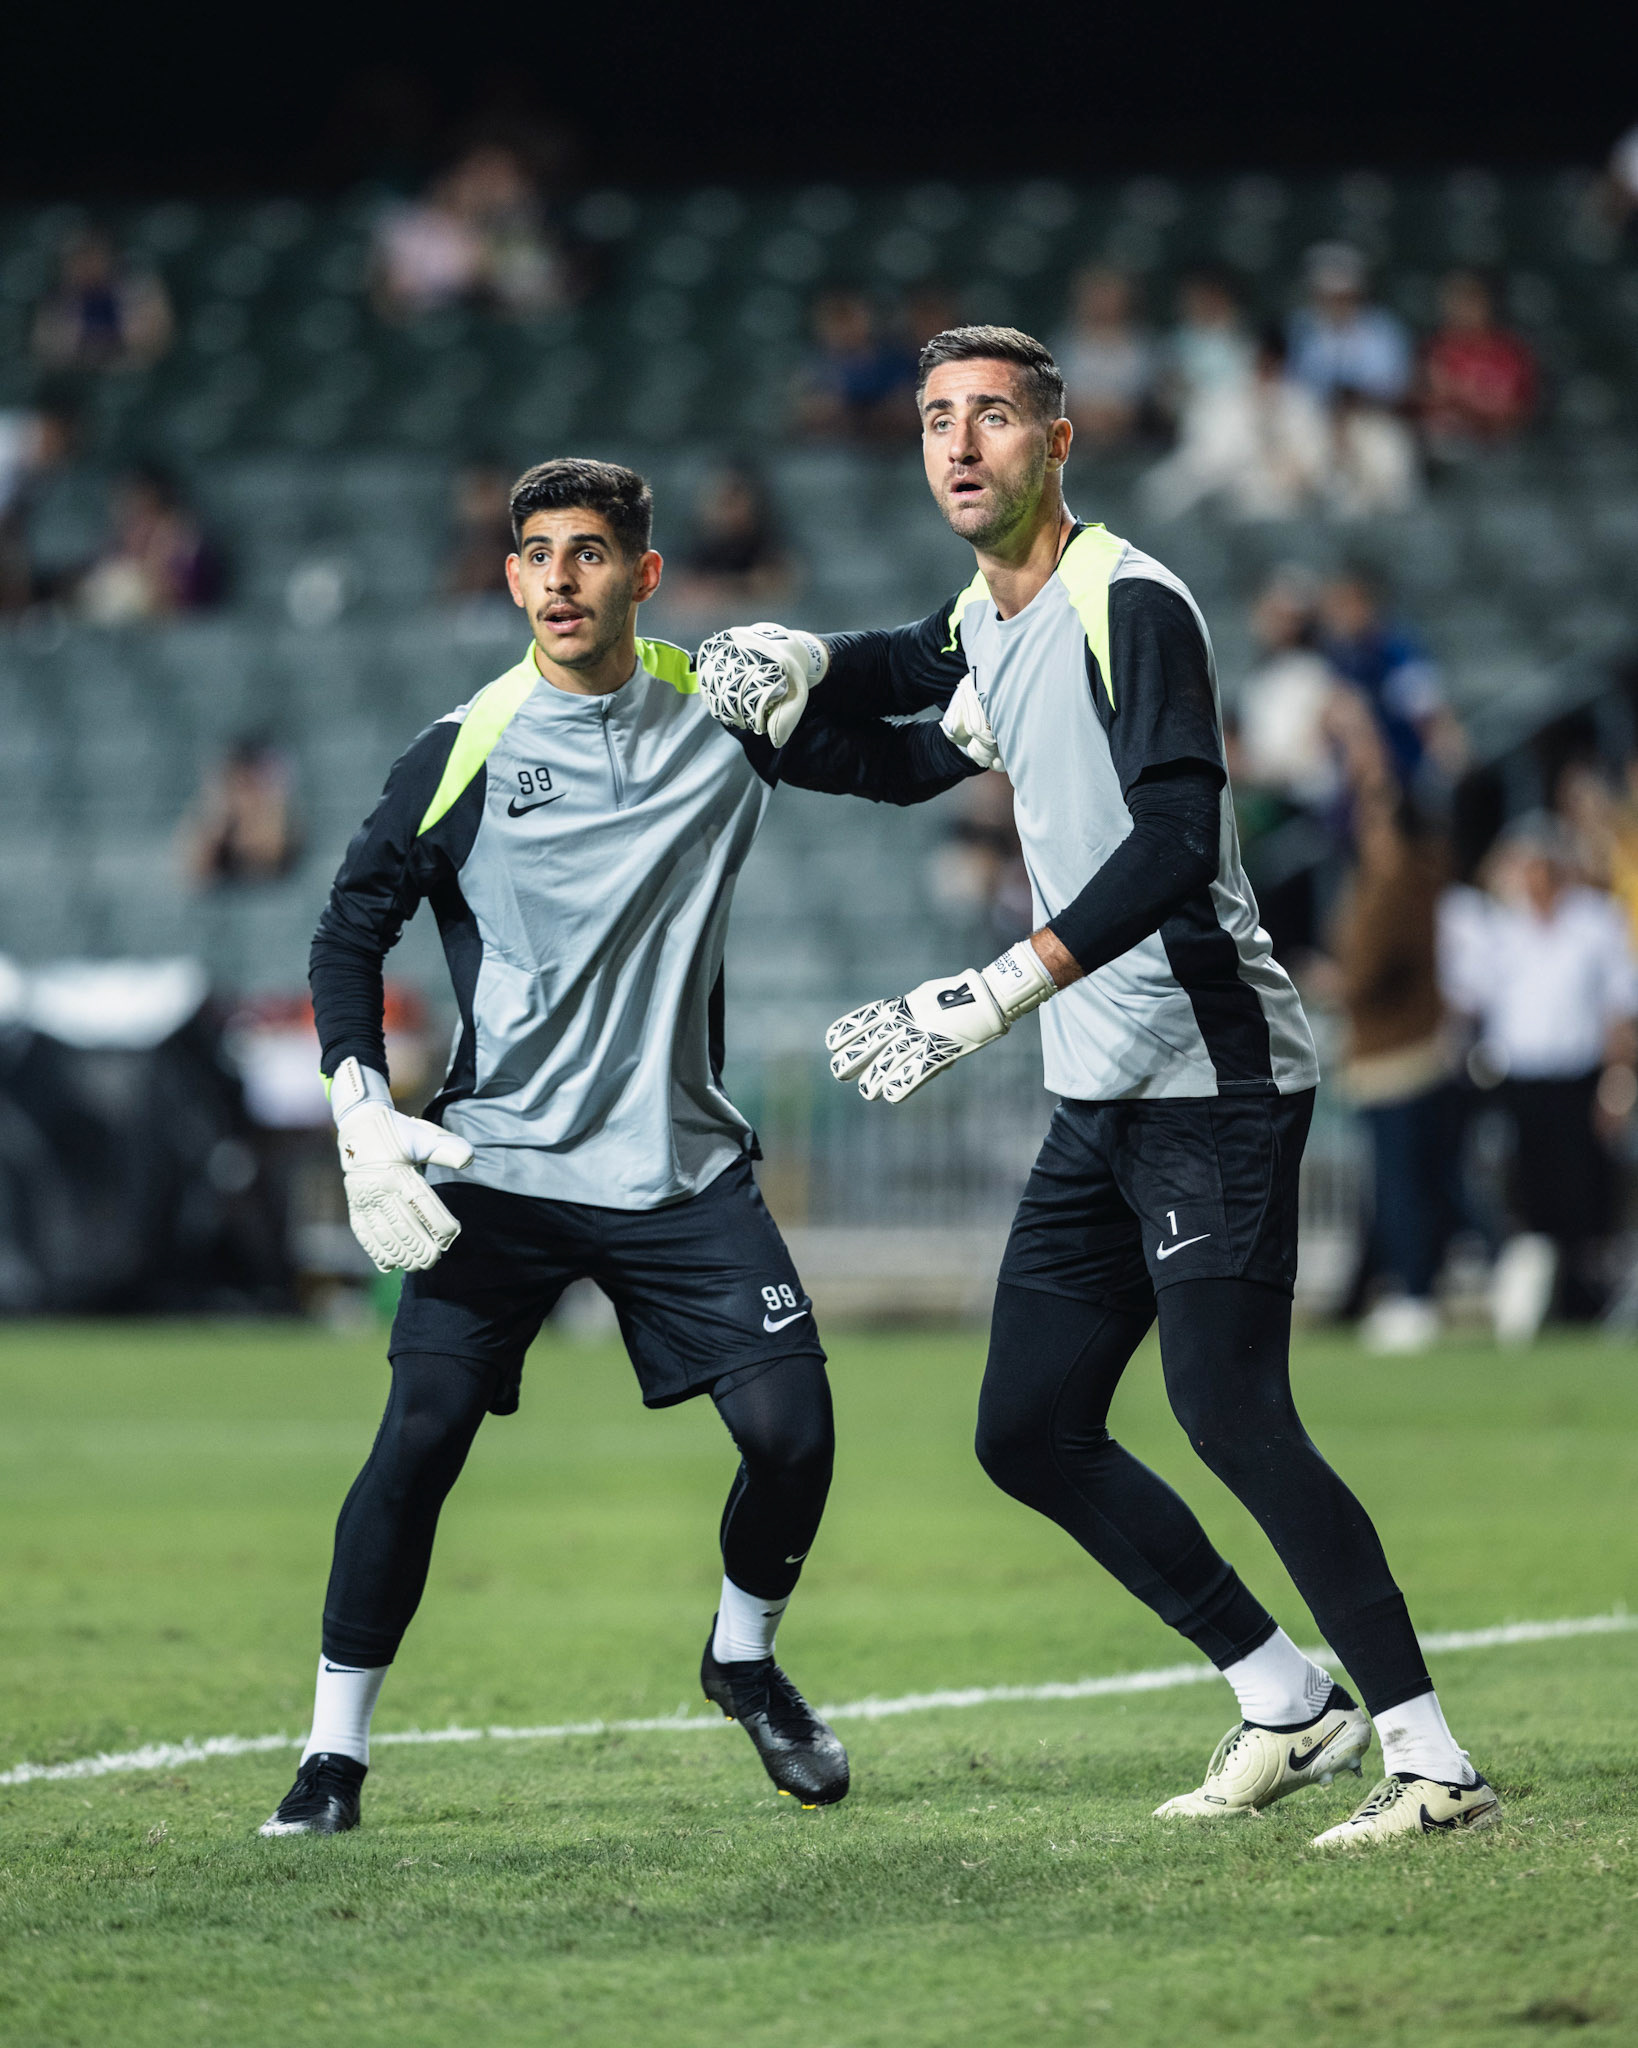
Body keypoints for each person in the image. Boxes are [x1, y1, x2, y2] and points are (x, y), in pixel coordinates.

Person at [697, 326, 1498, 1846]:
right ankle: (1283, 1697)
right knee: (1027, 1427)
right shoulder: (985, 618)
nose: (958, 443)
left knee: (1228, 1409)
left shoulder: (1125, 601)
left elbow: (1175, 839)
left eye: (991, 416)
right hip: (1104, 1093)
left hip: (1212, 1076)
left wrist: (994, 988)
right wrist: (774, 693)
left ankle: (1432, 1759)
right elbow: (893, 738)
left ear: (1058, 442)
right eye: (936, 418)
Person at [259, 458, 977, 1837]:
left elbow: (892, 764)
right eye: (534, 553)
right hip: (502, 1171)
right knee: (420, 1436)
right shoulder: (461, 745)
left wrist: (1002, 717)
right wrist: (360, 1110)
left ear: (644, 575)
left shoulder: (723, 706)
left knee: (793, 1435)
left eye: (587, 554)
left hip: (676, 1167)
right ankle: (332, 1758)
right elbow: (352, 925)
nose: (557, 579)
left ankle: (743, 1663)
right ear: (510, 573)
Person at [1439, 814, 1638, 1338]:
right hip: (1520, 1081)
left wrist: (1617, 1084)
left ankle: (1584, 1303)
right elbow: (1472, 998)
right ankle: (1541, 1303)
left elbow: (1619, 1011)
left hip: (1577, 1077)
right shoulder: (1503, 929)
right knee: (1527, 1194)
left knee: (1584, 1195)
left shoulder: (1595, 921)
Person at [1140, 326, 1328, 523]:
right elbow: (1203, 459)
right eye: (1262, 363)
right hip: (1210, 486)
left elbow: (1310, 464)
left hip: (1270, 501)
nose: (1266, 372)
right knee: (1161, 495)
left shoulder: (1300, 403)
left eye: (1273, 364)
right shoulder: (1220, 397)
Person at [77, 464, 224, 623]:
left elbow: (187, 602)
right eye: (128, 512)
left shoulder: (184, 543)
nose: (136, 521)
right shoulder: (118, 550)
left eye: (144, 510)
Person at [1420, 272, 1537, 455]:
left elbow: (1519, 407)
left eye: (1471, 303)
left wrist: (1469, 402)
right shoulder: (1435, 348)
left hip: (1500, 443)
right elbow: (1429, 401)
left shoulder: (1508, 351)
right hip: (1446, 443)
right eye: (1457, 304)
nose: (1464, 311)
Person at [1287, 243, 1411, 409]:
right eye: (1328, 298)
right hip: (1313, 414)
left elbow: (1394, 384)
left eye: (1344, 298)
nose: (1337, 306)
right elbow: (1290, 380)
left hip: (1369, 413)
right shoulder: (1300, 327)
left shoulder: (1384, 328)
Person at [32, 229, 173, 372]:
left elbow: (156, 342)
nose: (86, 264)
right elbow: (49, 353)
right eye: (78, 258)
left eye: (92, 255)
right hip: (77, 380)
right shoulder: (55, 302)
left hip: (132, 373)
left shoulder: (140, 289)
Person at [667, 466, 793, 621]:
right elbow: (677, 598)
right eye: (719, 501)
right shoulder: (695, 545)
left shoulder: (768, 543)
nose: (725, 511)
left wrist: (718, 591)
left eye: (731, 501)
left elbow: (778, 589)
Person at [180, 734, 302, 887]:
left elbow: (269, 856)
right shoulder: (220, 832)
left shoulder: (287, 836)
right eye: (239, 785)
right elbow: (192, 875)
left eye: (251, 785)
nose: (245, 797)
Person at [794, 292, 917, 442]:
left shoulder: (894, 360)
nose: (845, 329)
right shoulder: (814, 367)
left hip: (895, 449)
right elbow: (808, 415)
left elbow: (908, 412)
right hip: (835, 449)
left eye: (850, 319)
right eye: (836, 321)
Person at [1055, 265, 1155, 450]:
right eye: (1097, 295)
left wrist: (1114, 417)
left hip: (1132, 438)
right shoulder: (1065, 345)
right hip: (1075, 436)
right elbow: (1061, 396)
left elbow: (1141, 401)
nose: (1103, 303)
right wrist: (1086, 416)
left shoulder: (1142, 346)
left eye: (1109, 295)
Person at [442, 462, 516, 599]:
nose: (486, 507)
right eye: (479, 494)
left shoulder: (529, 553)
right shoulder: (449, 557)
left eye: (491, 492)